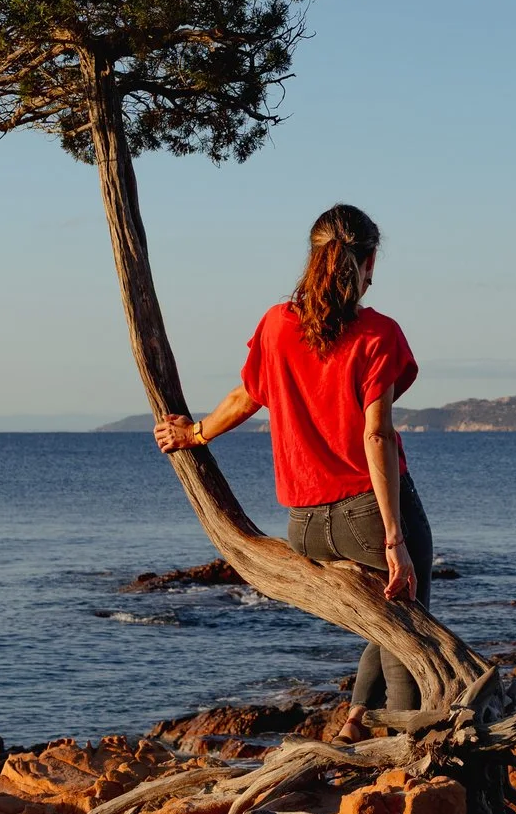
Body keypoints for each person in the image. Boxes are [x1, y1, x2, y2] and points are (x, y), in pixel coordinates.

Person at [154, 204, 434, 726]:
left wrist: (192, 433)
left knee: (383, 621)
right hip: (368, 512)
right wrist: (394, 537)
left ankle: (354, 722)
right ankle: (402, 755)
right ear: (369, 262)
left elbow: (245, 396)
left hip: (305, 526)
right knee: (407, 630)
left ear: (313, 259)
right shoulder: (379, 335)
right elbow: (376, 433)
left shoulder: (276, 324)